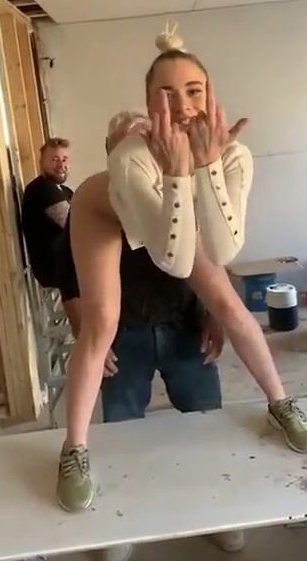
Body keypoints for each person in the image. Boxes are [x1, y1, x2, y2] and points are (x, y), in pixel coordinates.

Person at [57, 31, 307, 513]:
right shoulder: (115, 178)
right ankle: (74, 449)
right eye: (167, 96)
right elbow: (166, 257)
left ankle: (281, 401)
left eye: (193, 91)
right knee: (102, 325)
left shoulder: (198, 152)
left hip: (170, 257)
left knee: (229, 306)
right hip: (113, 229)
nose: (180, 107)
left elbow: (217, 248)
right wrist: (177, 174)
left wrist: (204, 165)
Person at [57, 211, 247, 558]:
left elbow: (220, 259)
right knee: (120, 433)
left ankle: (220, 511)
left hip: (186, 327)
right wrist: (87, 334)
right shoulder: (95, 205)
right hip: (122, 336)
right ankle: (120, 523)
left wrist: (215, 315)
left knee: (207, 424)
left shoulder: (188, 197)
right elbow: (68, 278)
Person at [21, 137, 81, 337]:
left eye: (64, 159)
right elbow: (75, 225)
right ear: (41, 162)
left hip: (68, 266)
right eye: (54, 159)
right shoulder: (42, 189)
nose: (61, 164)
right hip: (56, 269)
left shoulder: (64, 191)